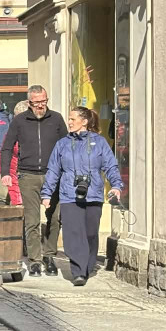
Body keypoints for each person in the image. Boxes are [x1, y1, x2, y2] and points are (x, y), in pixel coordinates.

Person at [41, 107, 122, 286]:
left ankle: (87, 264)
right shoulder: (62, 144)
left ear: (84, 121)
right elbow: (53, 170)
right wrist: (47, 193)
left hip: (93, 194)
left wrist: (116, 185)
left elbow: (110, 166)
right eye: (69, 119)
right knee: (72, 233)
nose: (69, 122)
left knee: (91, 233)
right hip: (69, 194)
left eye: (72, 119)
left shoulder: (99, 143)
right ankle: (78, 271)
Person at [0, 85, 68, 276]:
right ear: (30, 103)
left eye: (44, 101)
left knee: (55, 218)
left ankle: (50, 256)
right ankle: (35, 260)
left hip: (54, 176)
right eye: (37, 102)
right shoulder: (20, 121)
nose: (41, 106)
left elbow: (67, 146)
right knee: (32, 220)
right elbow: (7, 147)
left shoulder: (56, 119)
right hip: (28, 175)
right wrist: (5, 172)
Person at [0, 101, 27, 207]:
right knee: (18, 209)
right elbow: (2, 156)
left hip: (31, 178)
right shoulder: (11, 134)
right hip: (15, 178)